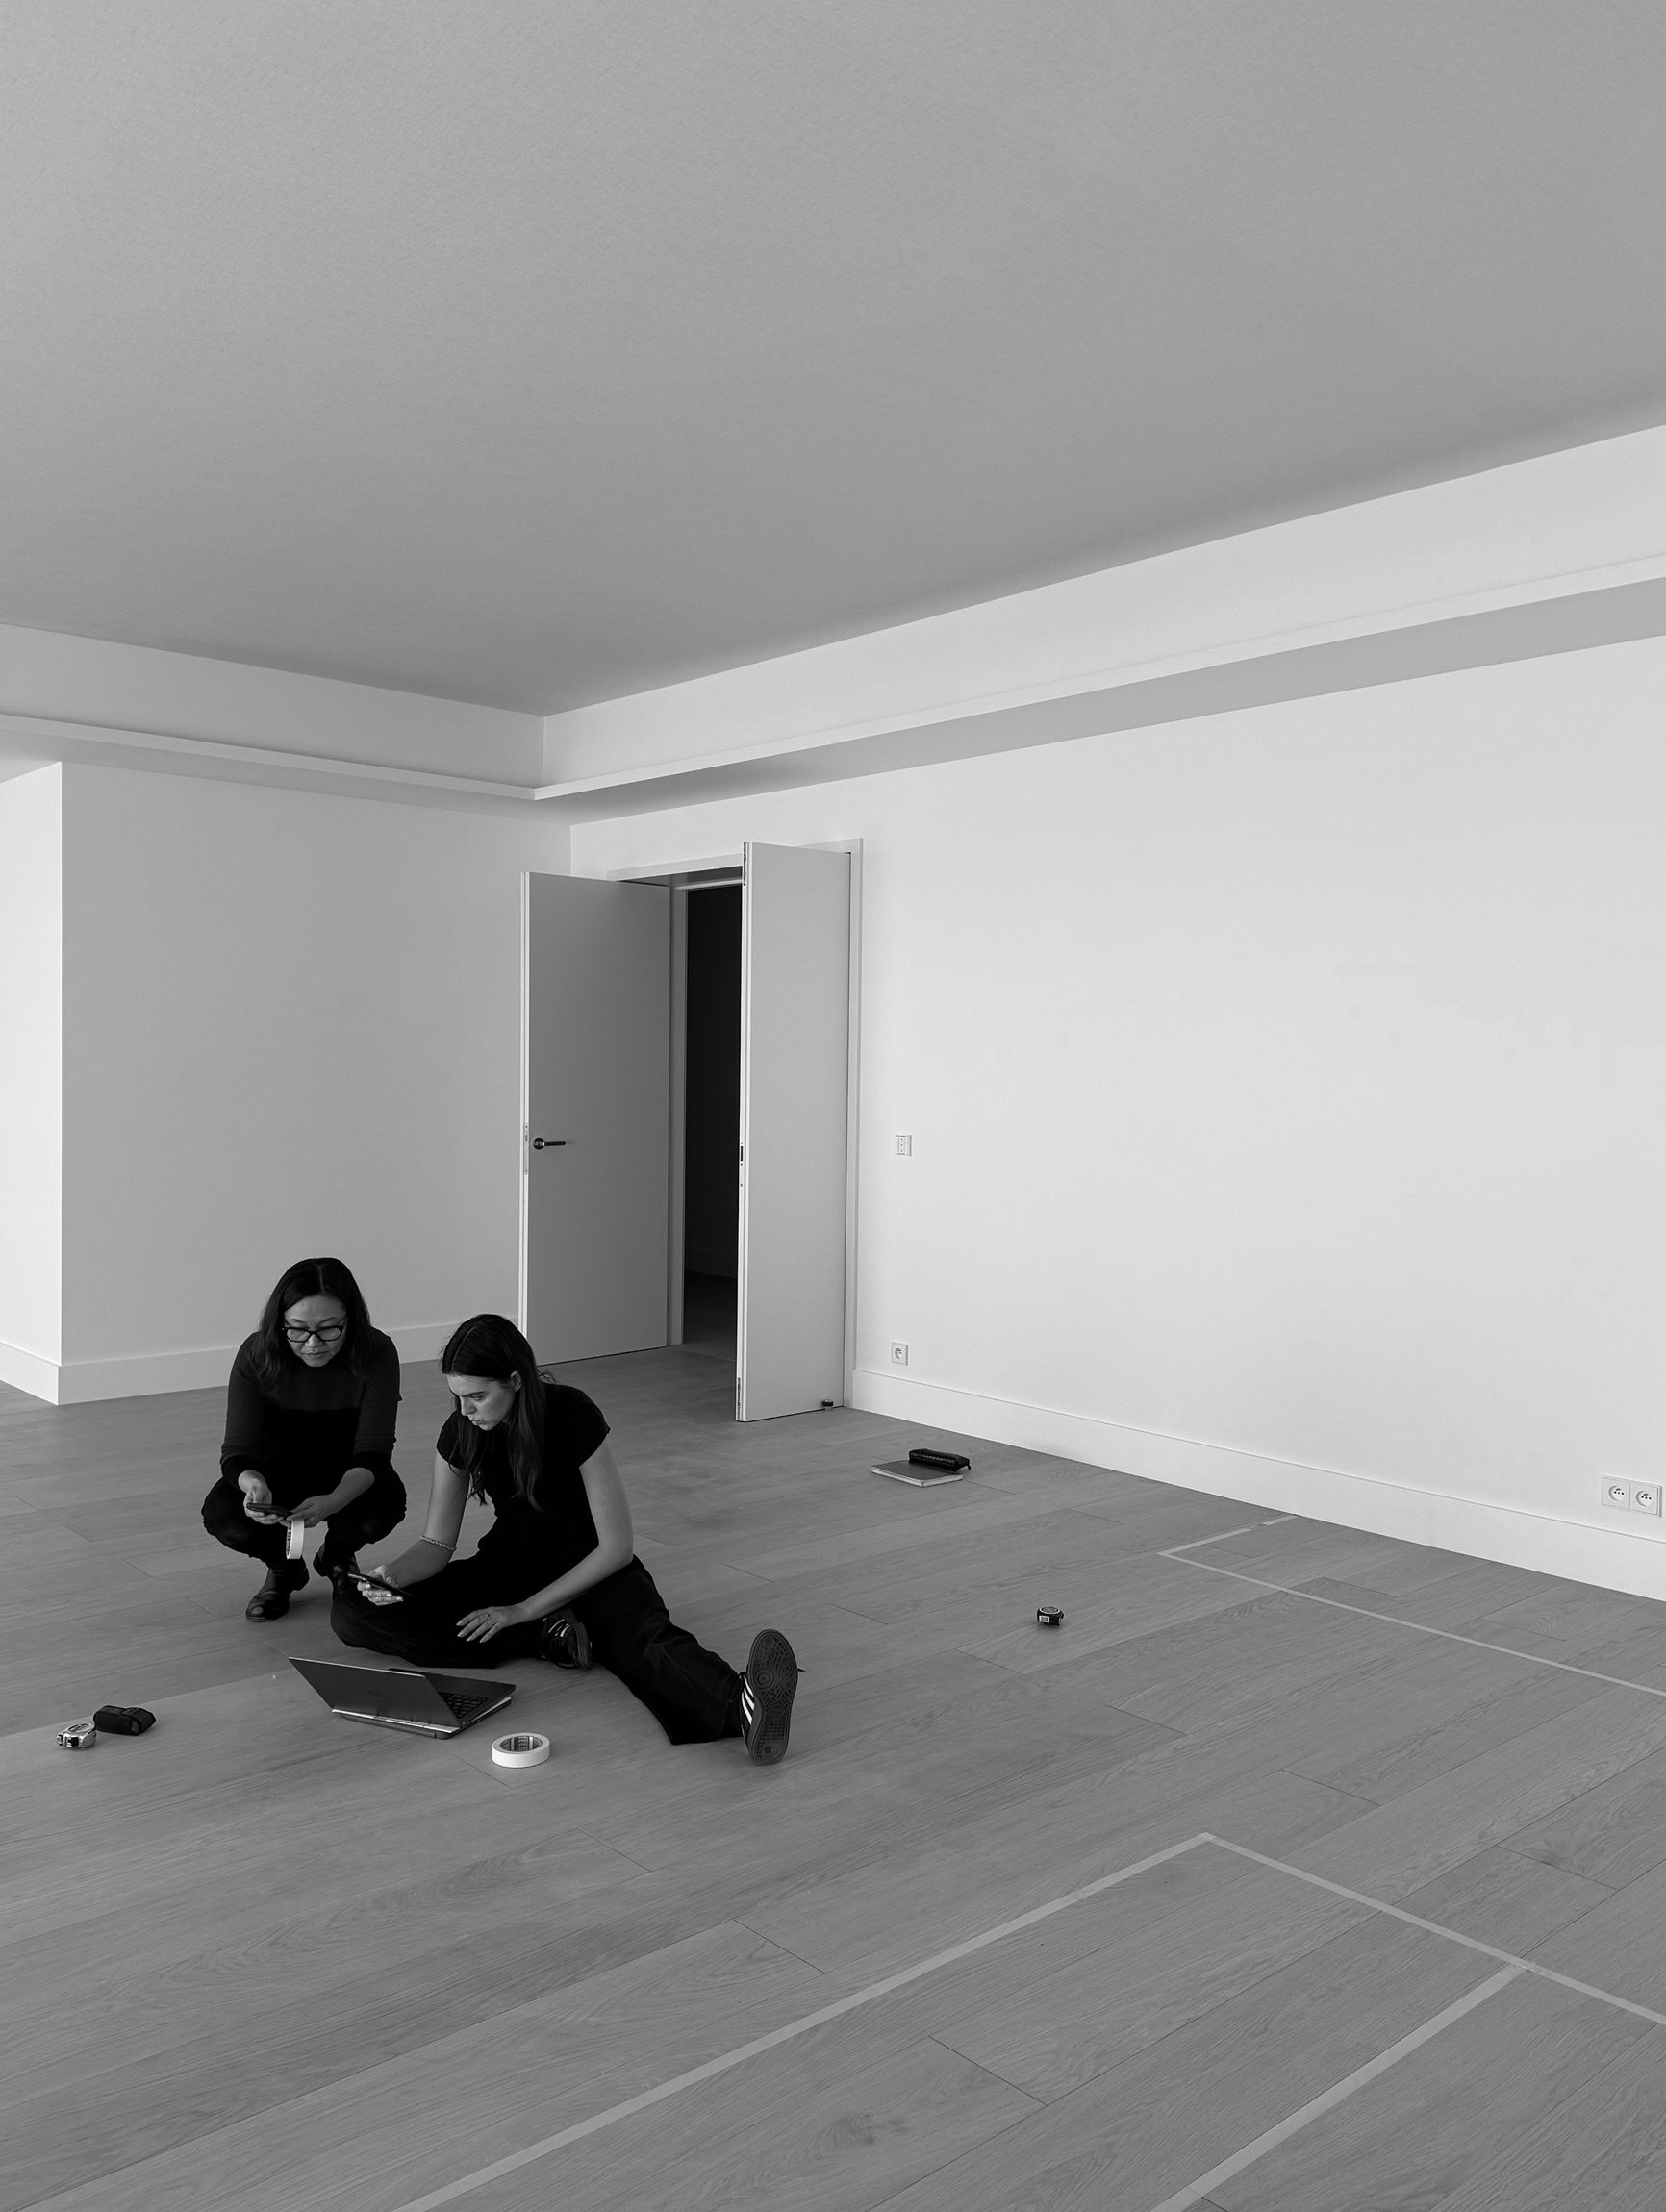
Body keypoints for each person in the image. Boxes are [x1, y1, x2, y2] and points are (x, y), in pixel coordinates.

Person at [330, 1314, 799, 1763]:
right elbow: (436, 1543)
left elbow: (616, 1548)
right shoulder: (461, 1431)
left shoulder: (573, 1413)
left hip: (593, 1569)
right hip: (506, 1567)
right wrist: (394, 1576)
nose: (465, 1410)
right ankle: (545, 1635)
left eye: (476, 1396)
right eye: (457, 1397)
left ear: (515, 1380)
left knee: (644, 1642)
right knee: (352, 1612)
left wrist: (520, 1611)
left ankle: (741, 1705)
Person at [202, 1257, 408, 1621]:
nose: (312, 1344)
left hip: (347, 1472)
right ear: (279, 1322)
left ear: (351, 1320)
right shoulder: (256, 1354)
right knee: (223, 1515)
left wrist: (333, 1501)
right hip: (278, 1473)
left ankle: (336, 1558)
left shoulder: (376, 1352)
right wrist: (253, 1484)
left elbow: (374, 1454)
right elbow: (237, 1451)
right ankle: (285, 1567)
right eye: (296, 1329)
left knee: (386, 1505)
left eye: (329, 1329)